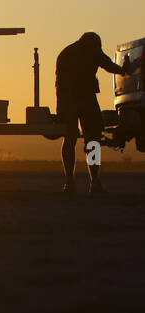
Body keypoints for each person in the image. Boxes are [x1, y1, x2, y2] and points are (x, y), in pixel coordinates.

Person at [55, 31, 132, 194]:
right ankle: (89, 182)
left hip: (75, 99)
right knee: (86, 139)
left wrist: (121, 70)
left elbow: (106, 64)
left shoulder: (72, 52)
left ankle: (75, 182)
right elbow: (108, 65)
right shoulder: (85, 52)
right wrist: (123, 70)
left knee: (78, 139)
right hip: (78, 99)